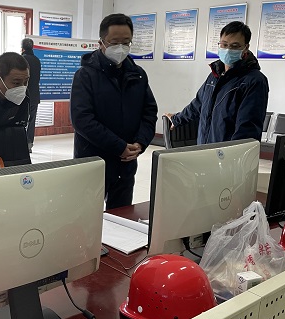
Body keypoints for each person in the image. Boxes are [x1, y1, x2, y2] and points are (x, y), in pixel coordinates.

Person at [70, 13, 158, 209]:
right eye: (114, 42)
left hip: (126, 163)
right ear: (101, 43)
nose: (120, 48)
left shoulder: (138, 75)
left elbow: (149, 112)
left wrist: (140, 143)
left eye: (126, 42)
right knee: (87, 217)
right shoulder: (85, 75)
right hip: (93, 162)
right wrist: (119, 146)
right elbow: (82, 119)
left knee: (120, 217)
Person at [165, 21, 269, 144]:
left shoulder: (254, 81)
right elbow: (198, 104)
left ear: (245, 47)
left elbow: (247, 128)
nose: (228, 49)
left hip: (227, 153)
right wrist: (177, 119)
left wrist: (234, 154)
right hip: (205, 149)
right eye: (224, 44)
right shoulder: (214, 76)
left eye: (235, 46)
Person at [21, 38, 41, 153]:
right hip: (34, 96)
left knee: (20, 120)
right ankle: (29, 144)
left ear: (22, 48)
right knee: (31, 120)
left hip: (23, 96)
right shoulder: (37, 60)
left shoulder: (21, 60)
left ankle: (20, 143)